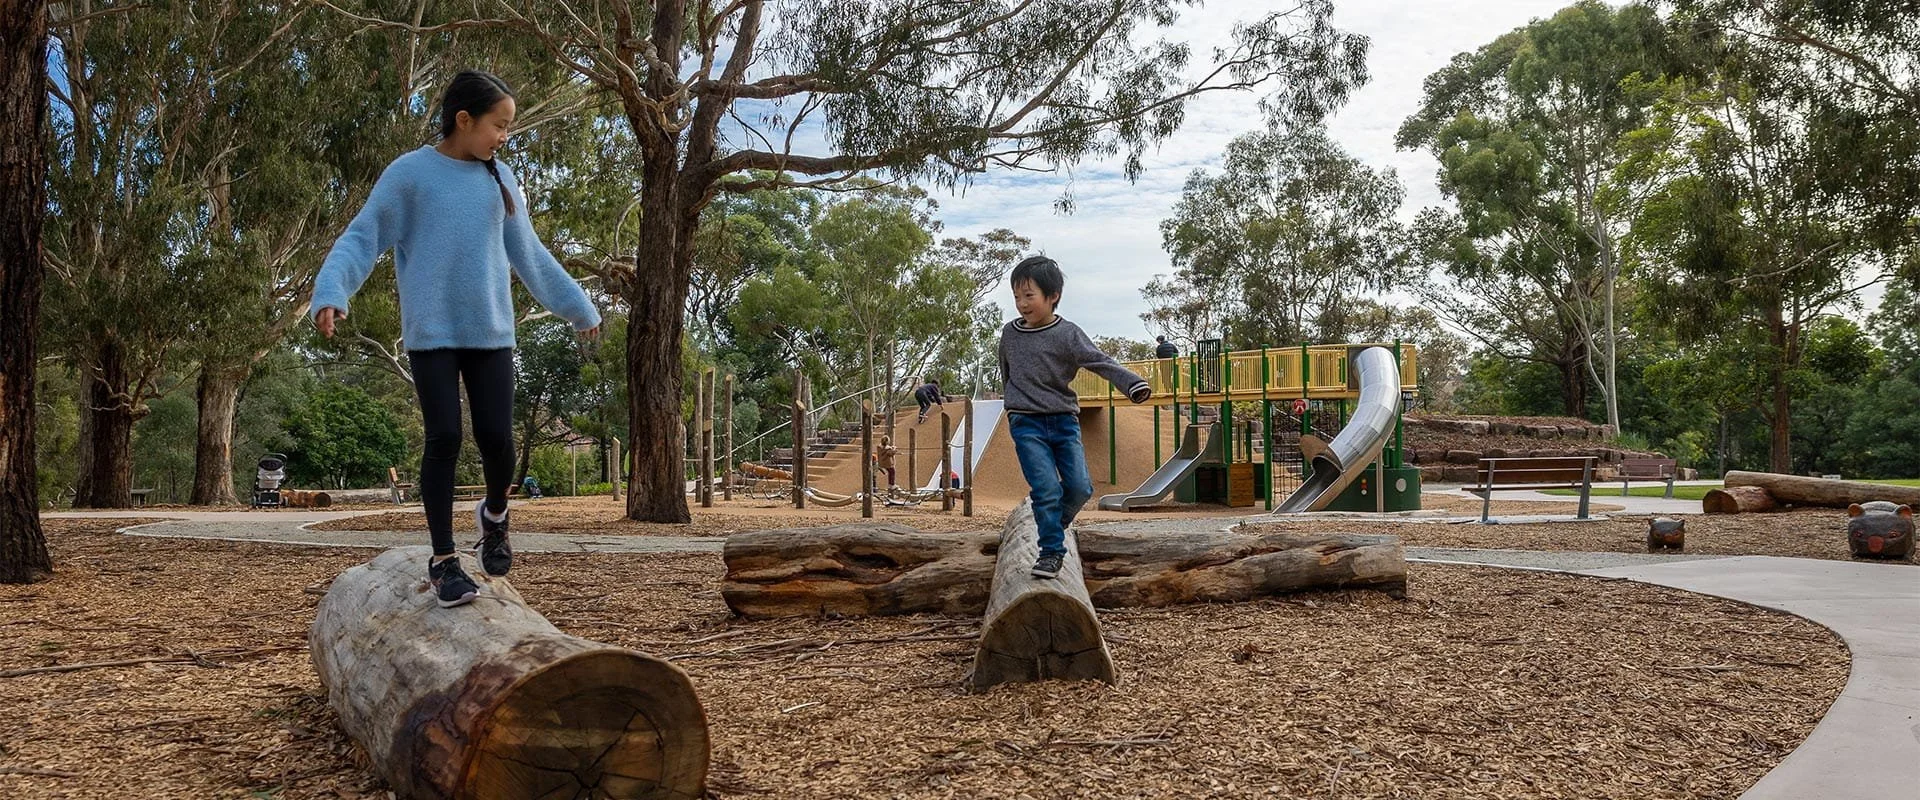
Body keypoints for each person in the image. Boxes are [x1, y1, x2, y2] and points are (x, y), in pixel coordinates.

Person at [311, 71, 601, 608]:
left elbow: (530, 255)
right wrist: (333, 290)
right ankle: (444, 560)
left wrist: (578, 307)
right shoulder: (410, 175)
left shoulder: (501, 179)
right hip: (433, 335)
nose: (504, 137)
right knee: (444, 438)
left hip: (492, 333)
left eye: (509, 128)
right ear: (463, 120)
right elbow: (363, 235)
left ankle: (494, 515)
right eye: (499, 125)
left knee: (500, 444)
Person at [998, 255, 1151, 579]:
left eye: (1029, 296)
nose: (1022, 304)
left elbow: (1098, 360)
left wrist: (1132, 383)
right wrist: (1012, 405)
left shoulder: (1067, 334)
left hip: (1064, 422)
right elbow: (1007, 371)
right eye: (1016, 297)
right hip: (1026, 422)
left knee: (1080, 488)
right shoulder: (1010, 334)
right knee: (1047, 488)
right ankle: (1051, 551)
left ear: (1052, 297)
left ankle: (1050, 522)